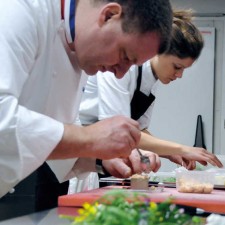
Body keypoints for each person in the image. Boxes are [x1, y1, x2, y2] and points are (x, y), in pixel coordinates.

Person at [0, 0, 173, 213]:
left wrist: (100, 158)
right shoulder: (21, 9)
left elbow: (58, 128)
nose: (120, 73)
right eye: (124, 56)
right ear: (109, 15)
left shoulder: (81, 53)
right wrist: (89, 139)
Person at [78, 10, 223, 182]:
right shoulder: (125, 69)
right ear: (158, 51)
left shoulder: (151, 81)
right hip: (79, 151)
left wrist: (170, 153)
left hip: (104, 156)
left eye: (183, 69)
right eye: (177, 67)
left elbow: (137, 129)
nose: (179, 75)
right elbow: (120, 133)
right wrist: (181, 149)